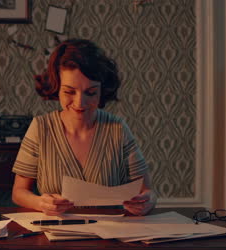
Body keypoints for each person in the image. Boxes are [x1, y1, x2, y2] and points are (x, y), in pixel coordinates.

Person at [11, 39, 156, 216]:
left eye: (91, 92)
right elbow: (18, 193)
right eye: (69, 92)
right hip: (56, 234)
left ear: (102, 90)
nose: (80, 103)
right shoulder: (40, 128)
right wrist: (41, 202)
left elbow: (147, 192)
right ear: (57, 87)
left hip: (109, 236)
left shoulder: (118, 129)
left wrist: (146, 202)